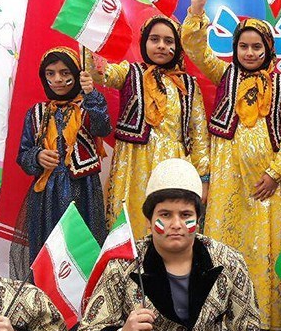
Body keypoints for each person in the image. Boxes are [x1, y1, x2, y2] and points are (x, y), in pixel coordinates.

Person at [65, 158, 261, 331]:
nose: (176, 224)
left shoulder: (228, 263)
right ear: (149, 221)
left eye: (185, 215)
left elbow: (246, 330)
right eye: (165, 215)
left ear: (198, 219)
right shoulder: (124, 264)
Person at [182, 0, 281, 331]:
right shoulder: (225, 74)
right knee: (224, 242)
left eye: (256, 47)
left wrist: (276, 173)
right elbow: (196, 50)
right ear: (235, 49)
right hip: (228, 177)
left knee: (265, 245)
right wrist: (197, 10)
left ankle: (262, 316)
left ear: (268, 49)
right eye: (243, 46)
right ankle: (221, 315)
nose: (249, 53)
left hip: (266, 182)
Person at [86, 15, 210, 240]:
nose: (161, 45)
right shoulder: (130, 73)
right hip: (134, 166)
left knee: (168, 228)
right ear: (144, 43)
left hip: (172, 166)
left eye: (168, 41)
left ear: (178, 46)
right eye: (155, 39)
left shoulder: (189, 86)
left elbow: (199, 134)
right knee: (130, 228)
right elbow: (101, 74)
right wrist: (88, 43)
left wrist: (203, 180)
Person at [16, 46, 110, 265]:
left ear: (76, 75)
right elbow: (23, 154)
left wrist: (91, 95)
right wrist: (37, 157)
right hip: (46, 193)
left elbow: (102, 128)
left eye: (65, 73)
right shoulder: (37, 112)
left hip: (84, 189)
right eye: (50, 73)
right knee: (48, 247)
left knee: (82, 245)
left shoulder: (88, 106)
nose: (57, 79)